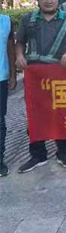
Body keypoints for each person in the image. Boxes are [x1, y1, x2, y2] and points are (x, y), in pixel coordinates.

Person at [16, 0, 66, 173]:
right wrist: (19, 55)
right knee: (35, 114)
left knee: (62, 113)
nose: (48, 1)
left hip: (59, 73)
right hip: (35, 74)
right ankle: (38, 155)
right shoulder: (28, 19)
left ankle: (64, 152)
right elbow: (20, 42)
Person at [0, 13, 16, 177]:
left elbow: (11, 49)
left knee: (0, 121)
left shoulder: (6, 21)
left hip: (1, 78)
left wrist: (13, 74)